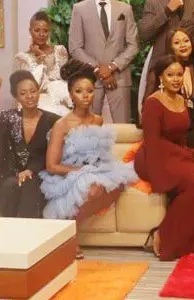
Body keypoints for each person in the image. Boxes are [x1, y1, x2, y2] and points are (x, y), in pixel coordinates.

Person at [134, 55, 194, 261]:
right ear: (161, 77)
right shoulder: (152, 103)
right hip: (153, 158)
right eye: (170, 75)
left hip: (175, 154)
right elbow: (153, 142)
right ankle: (163, 234)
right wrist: (187, 154)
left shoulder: (182, 100)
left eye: (179, 74)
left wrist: (190, 151)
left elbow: (180, 138)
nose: (176, 79)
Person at [40, 60, 138, 257]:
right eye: (79, 91)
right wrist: (82, 171)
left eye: (90, 91)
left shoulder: (98, 120)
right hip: (68, 173)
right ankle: (70, 235)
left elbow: (100, 153)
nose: (85, 96)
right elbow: (51, 165)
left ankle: (71, 225)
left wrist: (99, 167)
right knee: (94, 189)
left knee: (118, 183)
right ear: (70, 95)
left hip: (95, 169)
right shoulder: (62, 124)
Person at [68, 0, 139, 123]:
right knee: (89, 127)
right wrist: (99, 69)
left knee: (122, 128)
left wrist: (112, 67)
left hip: (119, 78)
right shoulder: (79, 9)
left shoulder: (125, 9)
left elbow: (133, 45)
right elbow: (75, 47)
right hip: (90, 79)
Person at [0, 71, 60, 218]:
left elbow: (52, 153)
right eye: (23, 93)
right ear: (16, 97)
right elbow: (2, 150)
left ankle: (31, 228)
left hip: (41, 172)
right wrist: (16, 173)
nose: (30, 96)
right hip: (14, 173)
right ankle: (6, 228)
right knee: (9, 185)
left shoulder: (53, 120)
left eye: (33, 91)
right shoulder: (8, 118)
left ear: (38, 92)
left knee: (31, 185)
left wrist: (31, 170)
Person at [13, 11, 70, 115]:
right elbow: (32, 85)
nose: (41, 34)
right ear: (30, 31)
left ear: (50, 31)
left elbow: (66, 79)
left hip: (61, 100)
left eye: (45, 31)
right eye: (37, 30)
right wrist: (39, 59)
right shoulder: (22, 58)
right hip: (36, 102)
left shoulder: (60, 51)